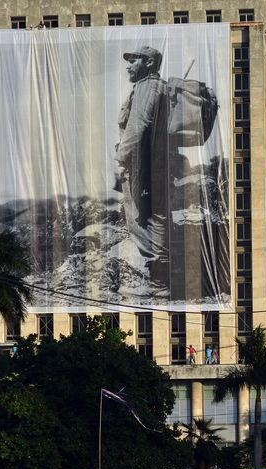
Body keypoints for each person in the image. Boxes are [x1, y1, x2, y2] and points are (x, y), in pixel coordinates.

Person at [113, 45, 171, 291]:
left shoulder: (149, 86)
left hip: (143, 163)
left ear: (148, 63)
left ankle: (160, 279)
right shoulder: (145, 86)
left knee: (138, 219)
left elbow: (137, 125)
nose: (128, 65)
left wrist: (120, 159)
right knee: (145, 217)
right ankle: (160, 276)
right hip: (148, 161)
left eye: (133, 60)